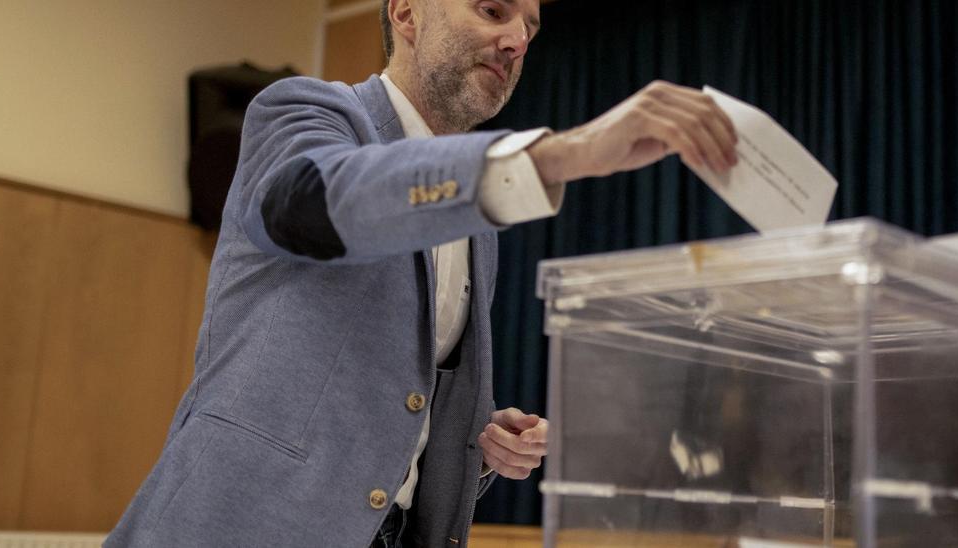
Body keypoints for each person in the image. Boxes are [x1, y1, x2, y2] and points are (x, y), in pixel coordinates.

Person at [106, 0, 738, 546]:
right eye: (493, 10)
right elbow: (322, 200)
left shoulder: (479, 225)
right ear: (405, 12)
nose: (518, 39)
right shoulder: (303, 113)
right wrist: (564, 153)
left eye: (530, 28)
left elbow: (401, 403)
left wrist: (483, 443)